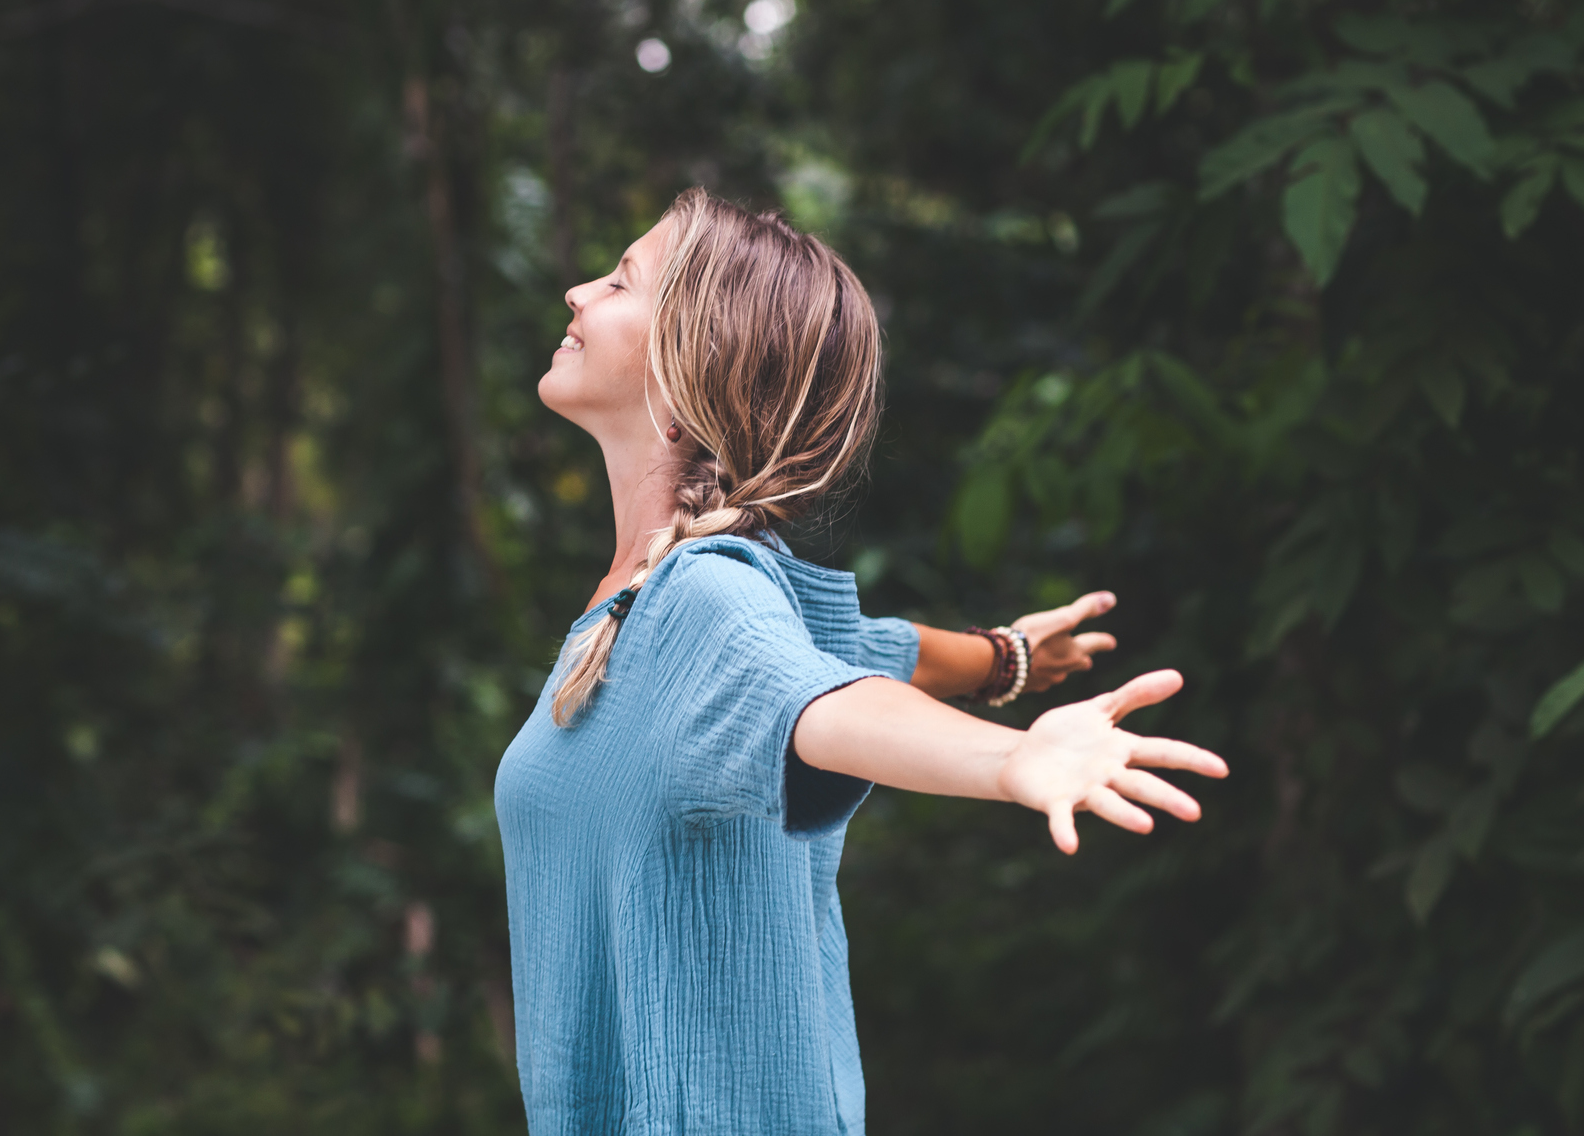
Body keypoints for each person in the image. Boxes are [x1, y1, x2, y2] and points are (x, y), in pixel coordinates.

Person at [494, 188, 1228, 1135]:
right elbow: (859, 650)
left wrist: (1006, 762)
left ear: (685, 374)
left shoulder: (703, 601)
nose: (575, 293)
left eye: (619, 280)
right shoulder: (646, 603)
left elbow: (831, 704)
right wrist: (1001, 659)